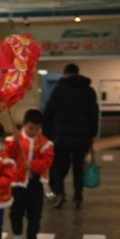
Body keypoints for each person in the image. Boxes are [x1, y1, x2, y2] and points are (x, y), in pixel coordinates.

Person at [43, 63, 99, 209]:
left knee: (58, 166)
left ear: (65, 73)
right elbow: (94, 114)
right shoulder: (89, 91)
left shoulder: (59, 89)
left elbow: (49, 112)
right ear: (78, 73)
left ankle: (60, 194)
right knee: (78, 167)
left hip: (61, 135)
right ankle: (78, 197)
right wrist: (92, 134)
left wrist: (47, 134)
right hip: (82, 136)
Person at [5, 110, 55, 239]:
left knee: (35, 213)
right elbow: (9, 155)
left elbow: (47, 161)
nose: (33, 131)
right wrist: (14, 143)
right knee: (16, 212)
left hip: (36, 182)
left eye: (37, 129)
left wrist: (33, 165)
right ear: (25, 125)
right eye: (30, 128)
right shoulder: (14, 139)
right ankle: (18, 235)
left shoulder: (45, 143)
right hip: (17, 182)